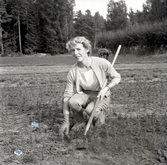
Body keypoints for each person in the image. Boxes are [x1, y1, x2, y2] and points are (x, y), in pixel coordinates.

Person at [59, 36, 121, 137]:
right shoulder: (73, 71)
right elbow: (66, 96)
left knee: (91, 112)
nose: (75, 53)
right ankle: (80, 122)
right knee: (72, 101)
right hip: (86, 94)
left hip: (102, 95)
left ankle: (99, 115)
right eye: (73, 50)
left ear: (87, 49)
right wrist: (66, 121)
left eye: (78, 49)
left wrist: (106, 88)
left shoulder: (102, 63)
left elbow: (117, 77)